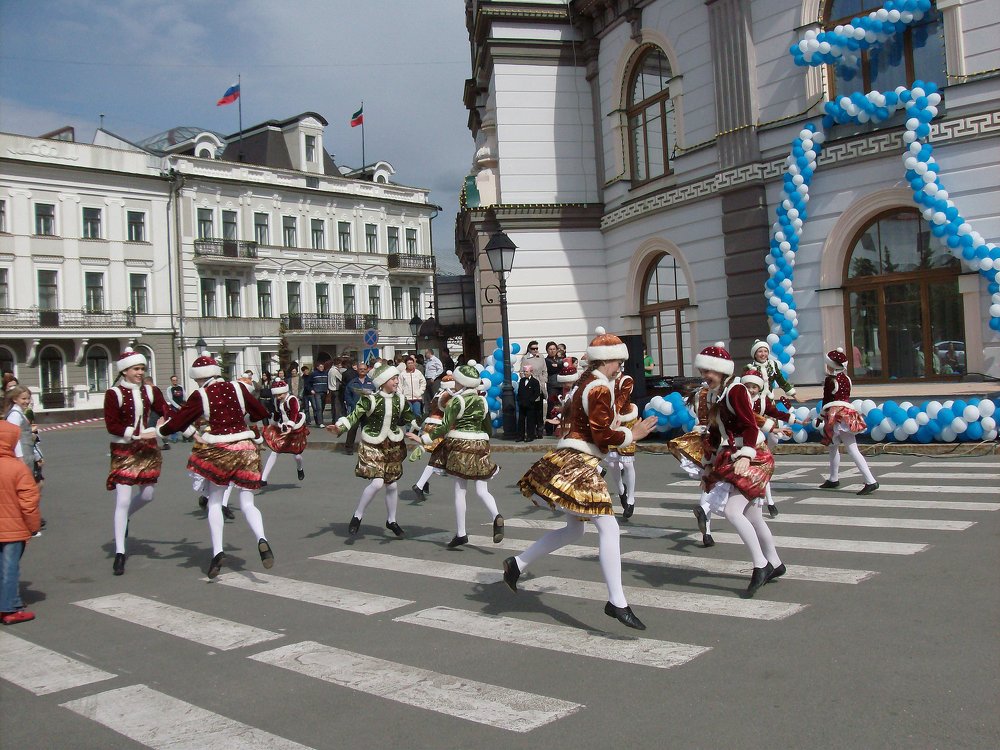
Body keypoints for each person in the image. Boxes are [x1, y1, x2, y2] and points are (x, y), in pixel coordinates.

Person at [505, 328, 658, 630]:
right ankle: (617, 602)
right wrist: (633, 434)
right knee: (609, 528)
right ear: (609, 361)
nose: (620, 369)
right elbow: (603, 436)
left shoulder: (584, 383)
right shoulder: (600, 387)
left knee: (575, 531)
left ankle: (517, 564)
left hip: (572, 457)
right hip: (582, 462)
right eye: (618, 363)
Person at [157, 351, 273, 579]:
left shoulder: (201, 395)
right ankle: (262, 539)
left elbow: (179, 422)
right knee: (248, 502)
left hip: (220, 450)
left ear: (199, 377)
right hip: (246, 449)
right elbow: (261, 412)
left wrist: (161, 429)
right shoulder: (239, 387)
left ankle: (218, 551)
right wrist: (241, 419)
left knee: (215, 502)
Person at [696, 342, 785, 597]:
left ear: (721, 371)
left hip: (755, 456)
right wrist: (707, 465)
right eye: (703, 372)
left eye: (708, 372)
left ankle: (761, 565)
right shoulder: (716, 395)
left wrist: (746, 455)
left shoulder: (736, 391)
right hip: (734, 456)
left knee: (733, 511)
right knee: (754, 517)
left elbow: (749, 426)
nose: (705, 377)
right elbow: (714, 432)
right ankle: (776, 564)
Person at [411, 361, 503, 549]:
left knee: (460, 489)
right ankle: (496, 516)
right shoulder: (482, 401)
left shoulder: (456, 401)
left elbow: (444, 427)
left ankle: (461, 533)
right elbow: (488, 430)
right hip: (481, 444)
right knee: (482, 489)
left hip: (461, 445)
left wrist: (425, 439)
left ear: (461, 382)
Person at [104, 349, 173, 576]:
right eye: (136, 369)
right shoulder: (114, 393)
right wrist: (136, 433)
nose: (140, 373)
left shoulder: (151, 391)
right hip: (124, 449)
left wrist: (166, 419)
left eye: (142, 368)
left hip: (147, 448)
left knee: (147, 495)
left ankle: (125, 518)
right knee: (122, 500)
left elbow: (165, 409)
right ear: (125, 370)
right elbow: (111, 425)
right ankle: (120, 553)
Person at [329, 363, 418, 538]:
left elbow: (411, 418)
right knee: (377, 483)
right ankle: (357, 515)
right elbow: (354, 416)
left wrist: (426, 428)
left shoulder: (400, 399)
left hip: (392, 444)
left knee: (392, 485)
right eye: (393, 378)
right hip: (373, 443)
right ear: (383, 381)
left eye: (396, 378)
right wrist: (340, 427)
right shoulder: (370, 399)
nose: (396, 381)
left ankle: (391, 520)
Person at [817, 347, 878, 495]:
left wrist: (820, 416)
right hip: (847, 413)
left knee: (851, 448)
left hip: (835, 415)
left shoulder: (830, 380)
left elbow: (827, 400)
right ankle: (833, 478)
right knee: (833, 447)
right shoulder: (847, 378)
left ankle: (870, 480)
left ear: (832, 365)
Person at [0, 421, 42, 625]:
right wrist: (33, 527)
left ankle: (11, 602)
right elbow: (29, 503)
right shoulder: (18, 468)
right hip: (13, 529)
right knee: (10, 568)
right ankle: (8, 608)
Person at [740, 368, 794, 519]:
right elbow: (753, 417)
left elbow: (774, 412)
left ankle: (769, 502)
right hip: (740, 442)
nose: (751, 390)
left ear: (759, 388)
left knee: (762, 471)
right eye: (748, 386)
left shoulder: (762, 401)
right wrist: (774, 428)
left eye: (754, 387)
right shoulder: (739, 401)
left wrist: (794, 420)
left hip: (755, 441)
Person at [410, 372, 455, 502]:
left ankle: (423, 482)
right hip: (438, 427)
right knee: (437, 458)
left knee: (436, 457)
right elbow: (450, 413)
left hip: (430, 423)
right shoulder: (448, 395)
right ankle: (420, 484)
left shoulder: (438, 393)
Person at [604, 371, 640, 519]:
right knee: (612, 463)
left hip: (625, 419)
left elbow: (621, 398)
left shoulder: (626, 379)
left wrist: (616, 415)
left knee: (627, 463)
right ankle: (621, 490)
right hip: (610, 421)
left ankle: (631, 499)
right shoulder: (602, 378)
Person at [260, 379, 308, 486]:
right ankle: (263, 479)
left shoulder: (292, 399)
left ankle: (300, 468)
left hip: (295, 428)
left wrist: (290, 426)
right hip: (284, 427)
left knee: (297, 455)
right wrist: (273, 423)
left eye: (280, 395)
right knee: (275, 451)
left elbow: (294, 413)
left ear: (285, 391)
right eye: (276, 395)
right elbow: (277, 413)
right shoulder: (277, 401)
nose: (278, 397)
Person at [343, 362, 375, 456]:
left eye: (364, 369)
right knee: (352, 429)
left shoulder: (372, 382)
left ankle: (367, 448)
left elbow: (376, 394)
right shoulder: (352, 383)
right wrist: (352, 404)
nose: (362, 371)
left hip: (367, 410)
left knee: (366, 431)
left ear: (367, 370)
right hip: (356, 410)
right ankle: (349, 448)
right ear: (357, 370)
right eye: (360, 369)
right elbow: (347, 395)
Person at [515, 364, 542, 442]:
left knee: (530, 421)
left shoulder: (535, 382)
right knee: (521, 421)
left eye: (526, 372)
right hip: (522, 404)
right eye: (524, 372)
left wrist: (531, 400)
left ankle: (530, 436)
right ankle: (520, 436)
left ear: (531, 372)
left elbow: (536, 393)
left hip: (531, 405)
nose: (525, 373)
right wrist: (519, 400)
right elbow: (519, 391)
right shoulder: (522, 381)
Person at [543, 342, 561, 436]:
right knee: (551, 406)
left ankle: (558, 428)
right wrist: (557, 367)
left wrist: (558, 366)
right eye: (550, 349)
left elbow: (562, 368)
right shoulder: (546, 360)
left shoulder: (560, 359)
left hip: (561, 386)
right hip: (552, 386)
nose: (552, 351)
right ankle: (549, 429)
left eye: (554, 349)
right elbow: (550, 369)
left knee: (561, 407)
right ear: (547, 350)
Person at [308, 362, 329, 427]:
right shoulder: (313, 374)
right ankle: (320, 423)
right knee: (319, 407)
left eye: (322, 367)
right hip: (317, 392)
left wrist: (328, 388)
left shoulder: (326, 373)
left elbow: (328, 381)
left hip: (324, 392)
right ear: (317, 367)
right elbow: (309, 383)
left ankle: (318, 418)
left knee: (322, 407)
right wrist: (311, 389)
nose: (322, 368)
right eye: (320, 367)